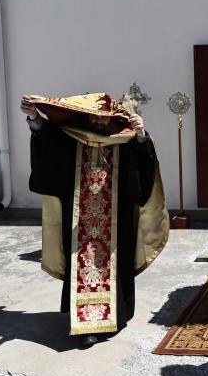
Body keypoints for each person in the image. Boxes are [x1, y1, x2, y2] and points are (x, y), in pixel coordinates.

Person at [20, 93, 169, 347]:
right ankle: (85, 326)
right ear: (86, 116)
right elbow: (49, 140)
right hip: (79, 221)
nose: (99, 123)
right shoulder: (72, 137)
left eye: (104, 118)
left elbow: (144, 163)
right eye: (95, 117)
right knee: (82, 269)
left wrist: (142, 135)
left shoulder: (124, 139)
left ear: (112, 118)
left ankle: (114, 317)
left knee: (114, 269)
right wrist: (34, 117)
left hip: (116, 220)